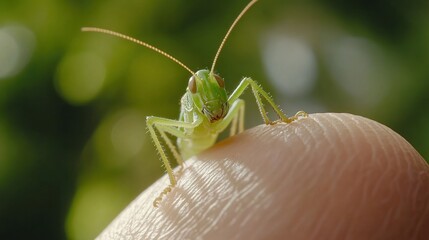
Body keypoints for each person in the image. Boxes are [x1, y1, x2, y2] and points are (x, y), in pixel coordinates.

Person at [97, 113, 429, 239]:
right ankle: (173, 179)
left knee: (242, 95)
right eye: (202, 88)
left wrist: (276, 123)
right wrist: (176, 174)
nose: (213, 91)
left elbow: (241, 95)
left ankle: (275, 122)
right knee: (154, 121)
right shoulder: (189, 107)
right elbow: (156, 126)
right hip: (190, 142)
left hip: (223, 145)